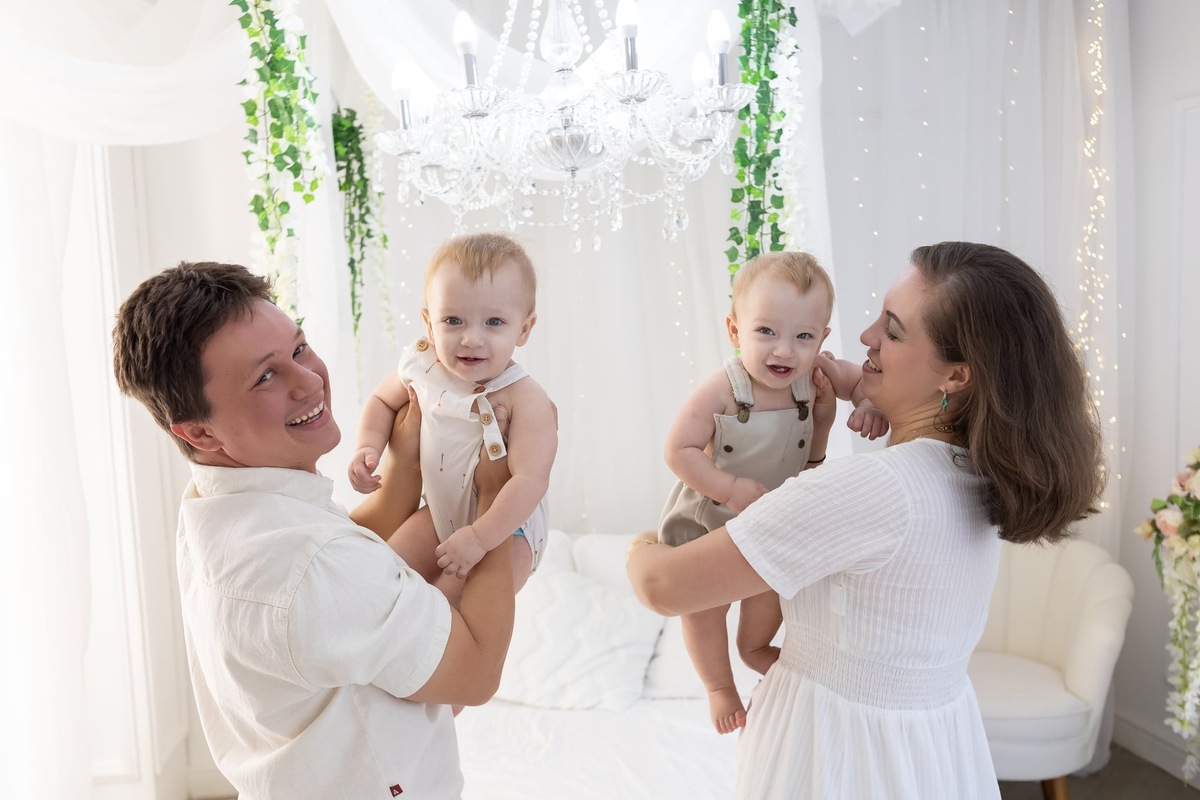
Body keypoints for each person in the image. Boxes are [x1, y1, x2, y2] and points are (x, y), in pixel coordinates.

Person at [629, 242, 1104, 799]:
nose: (865, 337)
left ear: (956, 376)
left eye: (894, 330)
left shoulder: (875, 489)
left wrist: (647, 542)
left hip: (837, 756)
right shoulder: (971, 478)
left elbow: (662, 587)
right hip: (932, 749)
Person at [112, 261, 516, 799]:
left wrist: (402, 478)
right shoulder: (312, 567)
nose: (309, 382)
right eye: (265, 376)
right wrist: (498, 500)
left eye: (299, 349)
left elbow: (338, 563)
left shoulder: (217, 508)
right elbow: (477, 674)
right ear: (199, 430)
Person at [657, 251, 887, 734]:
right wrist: (728, 486)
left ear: (822, 339)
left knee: (767, 604)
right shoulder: (723, 387)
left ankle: (761, 655)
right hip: (709, 522)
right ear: (735, 331)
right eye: (766, 332)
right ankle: (720, 686)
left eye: (803, 336)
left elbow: (861, 384)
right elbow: (678, 450)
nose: (784, 351)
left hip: (771, 525)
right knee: (703, 611)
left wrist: (866, 404)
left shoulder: (817, 373)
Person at [350, 232, 557, 600]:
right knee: (383, 578)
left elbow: (530, 482)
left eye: (493, 322)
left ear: (523, 329)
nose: (471, 339)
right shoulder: (422, 365)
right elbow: (382, 400)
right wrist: (367, 447)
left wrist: (480, 538)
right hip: (439, 513)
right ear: (429, 323)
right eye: (454, 320)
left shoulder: (525, 398)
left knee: (452, 610)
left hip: (508, 527)